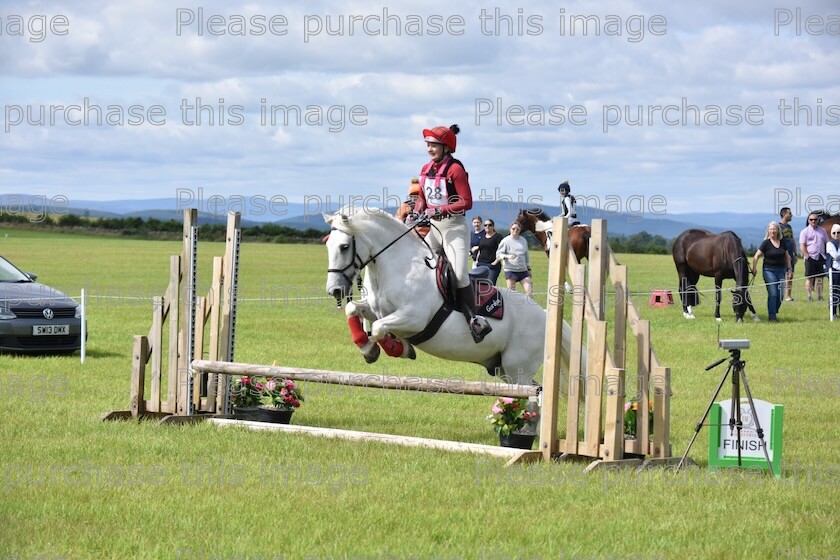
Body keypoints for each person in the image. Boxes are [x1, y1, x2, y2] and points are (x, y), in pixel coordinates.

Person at [413, 124, 491, 343]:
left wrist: (438, 209)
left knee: (458, 274)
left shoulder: (455, 169)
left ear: (446, 147)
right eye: (428, 144)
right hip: (434, 228)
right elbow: (421, 198)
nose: (429, 149)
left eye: (434, 145)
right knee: (415, 263)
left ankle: (474, 319)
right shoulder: (425, 168)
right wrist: (416, 211)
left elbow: (467, 202)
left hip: (454, 227)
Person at [752, 221, 792, 322]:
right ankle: (772, 317)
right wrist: (754, 268)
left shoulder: (782, 242)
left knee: (781, 295)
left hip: (781, 270)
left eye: (774, 229)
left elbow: (787, 256)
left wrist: (789, 269)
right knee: (773, 293)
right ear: (768, 231)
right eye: (771, 229)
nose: (772, 231)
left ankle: (774, 310)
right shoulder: (766, 243)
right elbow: (756, 256)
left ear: (778, 230)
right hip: (769, 271)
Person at [493, 222, 533, 297]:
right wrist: (507, 256)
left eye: (517, 229)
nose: (515, 230)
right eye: (513, 229)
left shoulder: (523, 240)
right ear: (510, 229)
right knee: (511, 294)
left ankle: (528, 307)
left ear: (520, 230)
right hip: (510, 270)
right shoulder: (505, 241)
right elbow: (498, 255)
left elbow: (526, 255)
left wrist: (529, 269)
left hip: (523, 270)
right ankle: (512, 308)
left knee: (529, 290)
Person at [799, 212, 830, 302]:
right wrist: (807, 256)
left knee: (820, 278)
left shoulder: (822, 230)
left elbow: (827, 242)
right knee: (810, 278)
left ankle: (820, 296)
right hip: (810, 257)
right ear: (808, 221)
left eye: (815, 219)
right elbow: (802, 245)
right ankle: (809, 296)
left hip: (821, 257)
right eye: (811, 219)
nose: (813, 221)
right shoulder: (804, 232)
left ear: (818, 220)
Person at [778, 207, 798, 301]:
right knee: (782, 276)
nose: (791, 215)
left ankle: (788, 296)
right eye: (790, 213)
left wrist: (795, 253)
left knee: (790, 275)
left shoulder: (789, 227)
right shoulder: (778, 227)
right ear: (784, 214)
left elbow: (792, 240)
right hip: (782, 255)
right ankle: (780, 295)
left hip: (791, 254)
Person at [475, 219, 503, 285]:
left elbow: (502, 250)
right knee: (479, 285)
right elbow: (480, 249)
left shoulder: (498, 236)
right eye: (485, 225)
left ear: (493, 227)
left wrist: (495, 262)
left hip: (492, 266)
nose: (487, 226)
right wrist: (477, 261)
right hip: (481, 264)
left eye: (489, 225)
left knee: (490, 285)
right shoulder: (482, 236)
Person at [827, 224, 840, 319]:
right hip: (835, 271)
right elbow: (835, 256)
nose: (836, 234)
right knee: (834, 292)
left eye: (838, 232)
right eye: (834, 233)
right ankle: (833, 313)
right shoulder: (829, 244)